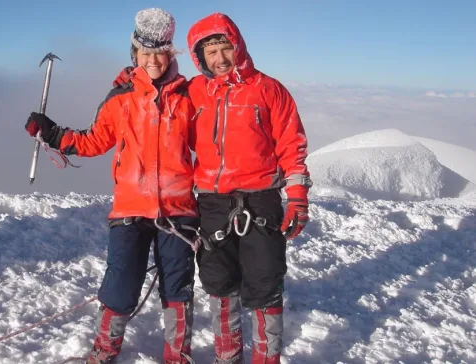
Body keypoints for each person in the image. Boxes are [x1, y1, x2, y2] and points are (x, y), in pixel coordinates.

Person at [114, 12, 312, 364]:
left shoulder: (269, 90)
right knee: (220, 284)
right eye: (211, 53)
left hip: (261, 199)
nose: (219, 59)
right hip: (212, 203)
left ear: (238, 47)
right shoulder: (196, 91)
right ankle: (228, 357)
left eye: (225, 48)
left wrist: (297, 198)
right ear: (199, 57)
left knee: (265, 284)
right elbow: (163, 101)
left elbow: (291, 146)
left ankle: (266, 358)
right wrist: (132, 80)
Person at [25, 8, 198, 364]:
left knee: (178, 289)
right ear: (135, 54)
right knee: (119, 285)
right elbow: (92, 140)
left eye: (160, 53)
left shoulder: (188, 97)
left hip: (178, 209)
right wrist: (53, 133)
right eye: (145, 53)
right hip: (131, 207)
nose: (153, 60)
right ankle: (104, 352)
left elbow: (211, 146)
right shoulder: (120, 97)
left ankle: (177, 356)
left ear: (170, 54)